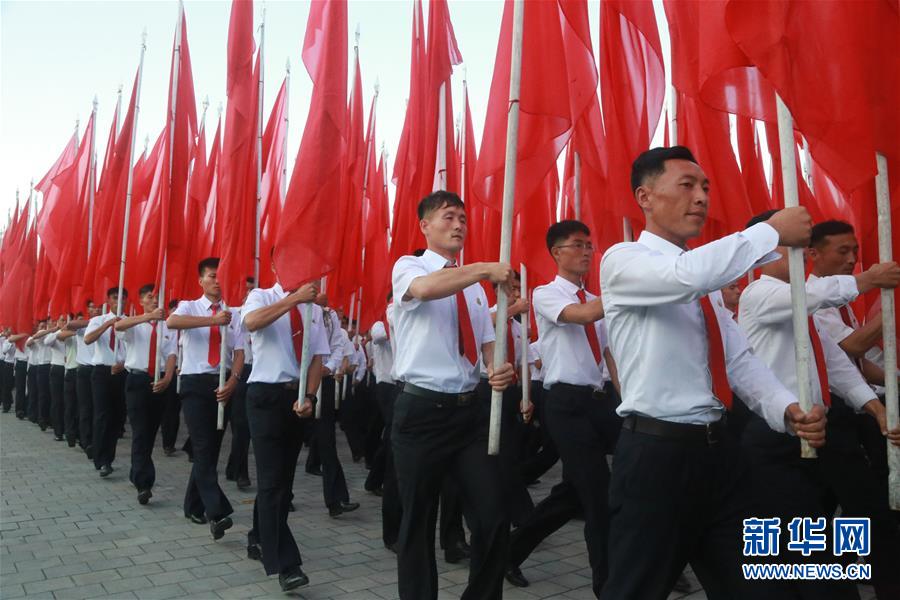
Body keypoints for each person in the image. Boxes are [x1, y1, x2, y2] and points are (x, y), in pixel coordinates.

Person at [599, 146, 823, 600]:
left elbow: (737, 359)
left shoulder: (706, 281)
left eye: (705, 187)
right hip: (655, 458)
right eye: (686, 185)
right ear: (645, 196)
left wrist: (786, 407)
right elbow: (685, 277)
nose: (701, 197)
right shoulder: (623, 261)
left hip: (719, 456)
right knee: (635, 589)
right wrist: (766, 233)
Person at [738, 209, 900, 600]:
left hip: (825, 430)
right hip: (780, 436)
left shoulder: (801, 307)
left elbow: (834, 362)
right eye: (788, 240)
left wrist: (872, 407)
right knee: (803, 544)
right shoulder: (760, 294)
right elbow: (810, 295)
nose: (800, 249)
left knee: (874, 519)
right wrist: (868, 280)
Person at [391, 190, 515, 600]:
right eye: (448, 217)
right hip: (421, 412)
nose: (459, 224)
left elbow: (485, 345)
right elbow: (425, 290)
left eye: (463, 217)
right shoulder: (408, 267)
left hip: (469, 414)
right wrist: (482, 269)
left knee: (494, 515)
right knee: (418, 522)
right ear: (425, 225)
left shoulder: (477, 287)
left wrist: (499, 368)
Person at [241, 268, 328, 592]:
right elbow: (252, 323)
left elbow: (318, 358)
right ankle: (286, 564)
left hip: (296, 396)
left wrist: (309, 396)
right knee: (272, 483)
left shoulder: (315, 309)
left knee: (281, 483)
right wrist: (294, 300)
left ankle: (257, 536)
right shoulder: (262, 296)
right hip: (264, 395)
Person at [166, 257, 244, 540]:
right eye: (211, 276)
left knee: (208, 451)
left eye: (220, 275)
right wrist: (212, 320)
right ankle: (218, 511)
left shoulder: (233, 313)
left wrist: (234, 381)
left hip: (223, 384)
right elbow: (173, 321)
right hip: (195, 384)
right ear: (201, 280)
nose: (216, 280)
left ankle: (192, 504)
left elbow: (239, 352)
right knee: (201, 445)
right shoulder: (189, 306)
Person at [115, 284, 178, 506]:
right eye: (150, 297)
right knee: (140, 431)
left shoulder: (167, 326)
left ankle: (137, 472)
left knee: (151, 433)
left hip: (159, 381)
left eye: (158, 298)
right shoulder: (136, 323)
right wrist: (147, 317)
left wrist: (168, 378)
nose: (154, 301)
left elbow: (172, 354)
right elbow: (119, 326)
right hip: (138, 380)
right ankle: (144, 483)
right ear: (141, 301)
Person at [308, 293, 359, 517]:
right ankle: (283, 496)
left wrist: (328, 368)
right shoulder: (294, 307)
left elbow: (337, 345)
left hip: (323, 381)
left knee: (327, 442)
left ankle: (337, 498)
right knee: (286, 444)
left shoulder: (330, 316)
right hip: (295, 381)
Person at [84, 289, 128, 477]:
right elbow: (88, 339)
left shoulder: (130, 321)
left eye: (122, 298)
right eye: (114, 298)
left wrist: (124, 364)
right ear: (108, 300)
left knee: (117, 418)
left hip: (121, 372)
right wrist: (108, 324)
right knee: (103, 415)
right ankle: (102, 460)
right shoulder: (98, 320)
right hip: (102, 372)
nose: (118, 301)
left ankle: (108, 456)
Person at [66, 302, 99, 459]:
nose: (96, 309)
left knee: (98, 409)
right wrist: (95, 321)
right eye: (92, 306)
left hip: (100, 370)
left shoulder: (105, 324)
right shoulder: (84, 325)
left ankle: (95, 439)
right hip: (84, 370)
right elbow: (69, 325)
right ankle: (87, 442)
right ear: (88, 309)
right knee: (85, 408)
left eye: (98, 306)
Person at [43, 316, 68, 441]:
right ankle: (58, 431)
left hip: (70, 369)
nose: (64, 322)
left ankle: (69, 429)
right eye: (61, 320)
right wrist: (58, 330)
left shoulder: (72, 333)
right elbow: (47, 342)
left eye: (65, 320)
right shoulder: (55, 334)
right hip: (57, 369)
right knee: (57, 401)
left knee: (69, 402)